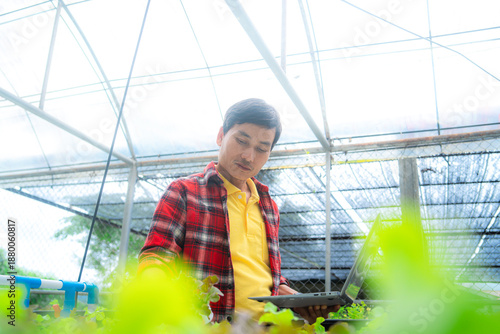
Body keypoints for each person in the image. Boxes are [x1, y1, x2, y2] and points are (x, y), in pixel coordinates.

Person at [138, 98, 339, 323]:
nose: (248, 156)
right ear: (221, 136)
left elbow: (265, 274)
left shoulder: (268, 206)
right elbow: (157, 256)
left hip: (265, 328)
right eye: (242, 141)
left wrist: (296, 299)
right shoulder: (185, 192)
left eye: (262, 149)